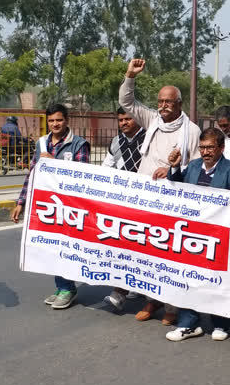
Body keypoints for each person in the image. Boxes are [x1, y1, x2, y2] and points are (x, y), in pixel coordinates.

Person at [121, 58, 201, 325]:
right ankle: (151, 299)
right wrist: (130, 75)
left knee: (170, 254)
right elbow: (127, 103)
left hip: (173, 203)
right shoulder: (151, 120)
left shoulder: (192, 131)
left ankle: (171, 306)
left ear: (179, 104)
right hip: (145, 199)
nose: (163, 106)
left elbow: (199, 167)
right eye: (160, 101)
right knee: (146, 251)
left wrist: (174, 169)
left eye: (168, 102)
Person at [162, 127, 230, 342]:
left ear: (221, 148)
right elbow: (178, 187)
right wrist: (174, 167)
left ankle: (220, 323)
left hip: (218, 237)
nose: (206, 152)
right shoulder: (195, 166)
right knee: (188, 278)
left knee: (217, 280)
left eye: (210, 147)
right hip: (192, 235)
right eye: (202, 148)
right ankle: (188, 323)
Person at [11, 103, 90, 310]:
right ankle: (62, 286)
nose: (55, 124)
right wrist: (21, 202)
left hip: (71, 207)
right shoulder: (41, 144)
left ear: (67, 120)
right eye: (51, 120)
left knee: (67, 246)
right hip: (48, 206)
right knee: (53, 246)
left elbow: (82, 177)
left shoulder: (79, 144)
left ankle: (68, 288)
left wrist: (54, 163)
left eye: (59, 120)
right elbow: (32, 174)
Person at [101, 108, 146, 310]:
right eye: (120, 120)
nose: (124, 123)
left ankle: (124, 290)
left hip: (145, 201)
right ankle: (122, 289)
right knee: (125, 245)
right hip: (122, 201)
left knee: (141, 246)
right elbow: (106, 168)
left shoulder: (148, 138)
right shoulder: (116, 142)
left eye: (128, 118)